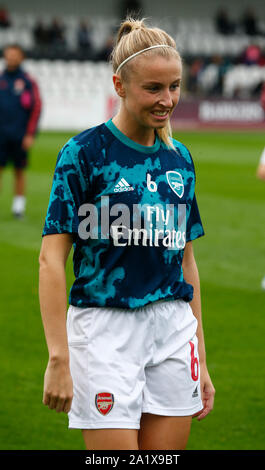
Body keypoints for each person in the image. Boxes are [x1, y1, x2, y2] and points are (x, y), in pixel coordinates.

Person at [39, 17, 215, 451]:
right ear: (119, 84)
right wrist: (58, 357)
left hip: (174, 331)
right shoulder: (84, 153)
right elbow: (50, 260)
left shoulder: (181, 159)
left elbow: (185, 262)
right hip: (103, 332)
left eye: (174, 86)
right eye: (153, 88)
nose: (167, 99)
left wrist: (201, 357)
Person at [0, 44, 42, 217]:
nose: (11, 58)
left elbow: (36, 107)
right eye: (9, 54)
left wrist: (30, 134)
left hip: (20, 135)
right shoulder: (1, 79)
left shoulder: (28, 81)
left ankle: (18, 208)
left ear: (21, 57)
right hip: (1, 135)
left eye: (15, 55)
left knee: (19, 171)